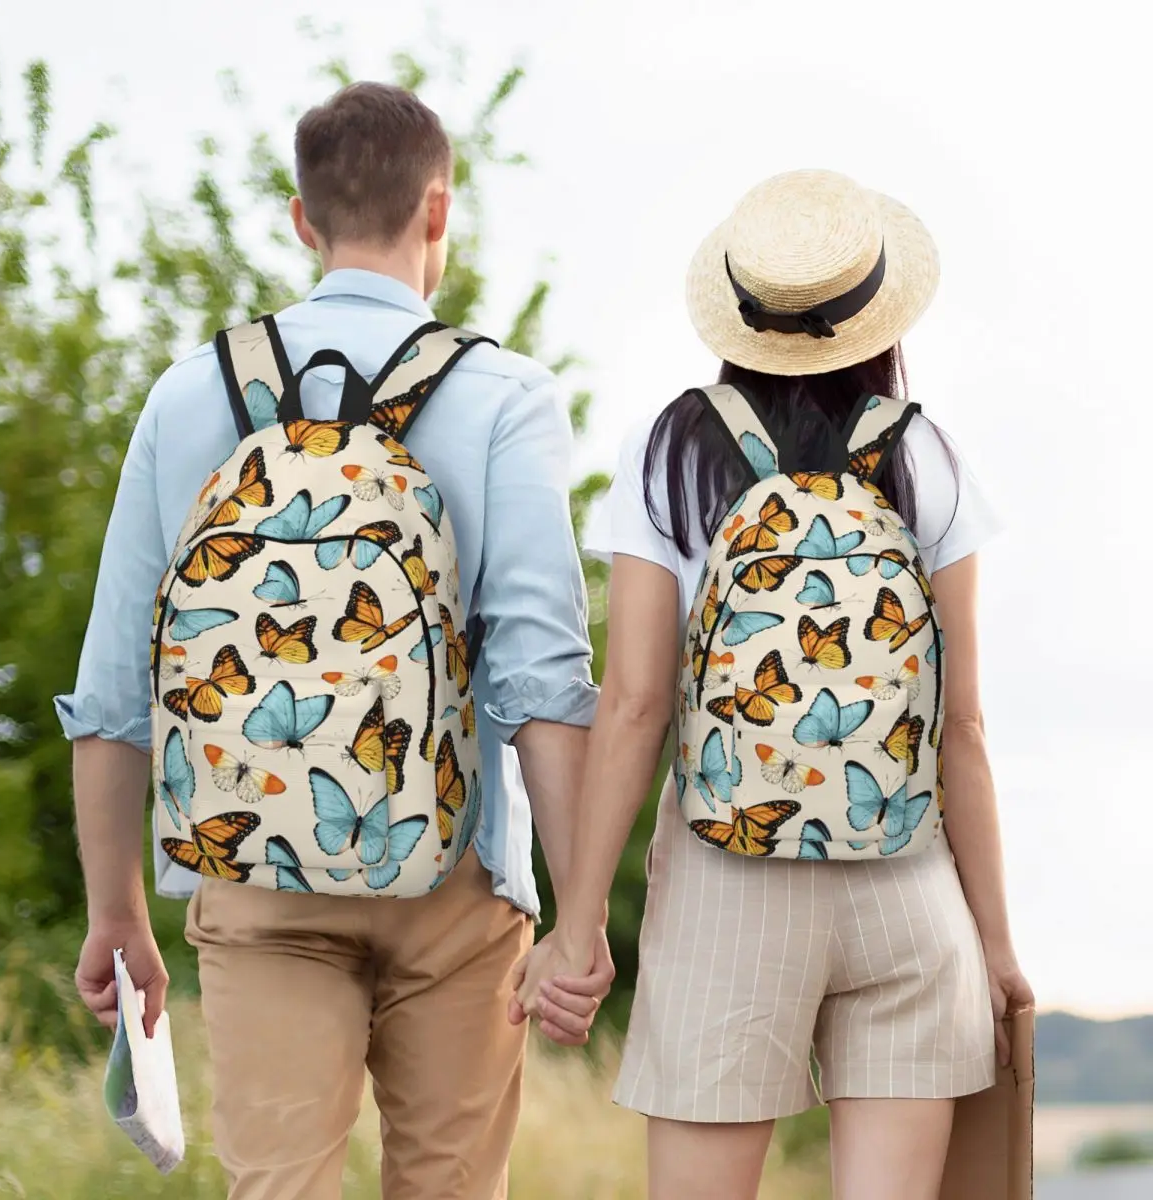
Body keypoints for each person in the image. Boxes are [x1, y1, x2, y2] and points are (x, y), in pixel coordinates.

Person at [57, 81, 614, 1200]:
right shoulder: (504, 395)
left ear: (302, 219)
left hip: (254, 872)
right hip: (456, 875)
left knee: (278, 1186)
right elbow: (542, 680)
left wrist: (116, 910)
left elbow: (117, 684)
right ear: (439, 212)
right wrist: (580, 915)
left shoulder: (190, 394)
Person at [512, 169, 1034, 1200]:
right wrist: (997, 946)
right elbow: (963, 726)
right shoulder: (926, 455)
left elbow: (635, 707)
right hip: (907, 886)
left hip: (727, 884)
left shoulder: (670, 450)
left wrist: (576, 929)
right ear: (877, 315)